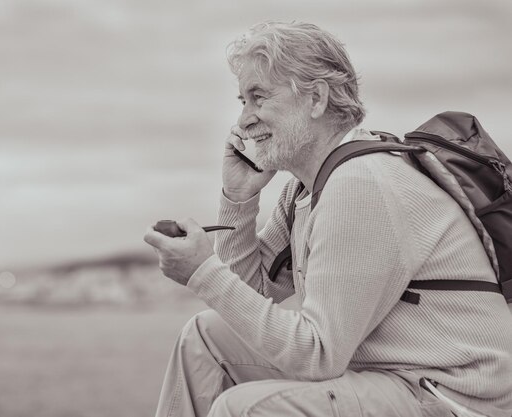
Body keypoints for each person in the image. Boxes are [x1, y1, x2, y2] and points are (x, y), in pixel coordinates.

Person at [143, 21, 512, 417]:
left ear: (316, 98)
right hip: (392, 374)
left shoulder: (360, 183)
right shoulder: (306, 188)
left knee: (243, 409)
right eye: (242, 101)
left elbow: (318, 355)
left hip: (451, 392)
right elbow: (250, 293)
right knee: (205, 336)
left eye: (258, 97)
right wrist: (239, 198)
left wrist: (202, 272)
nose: (243, 120)